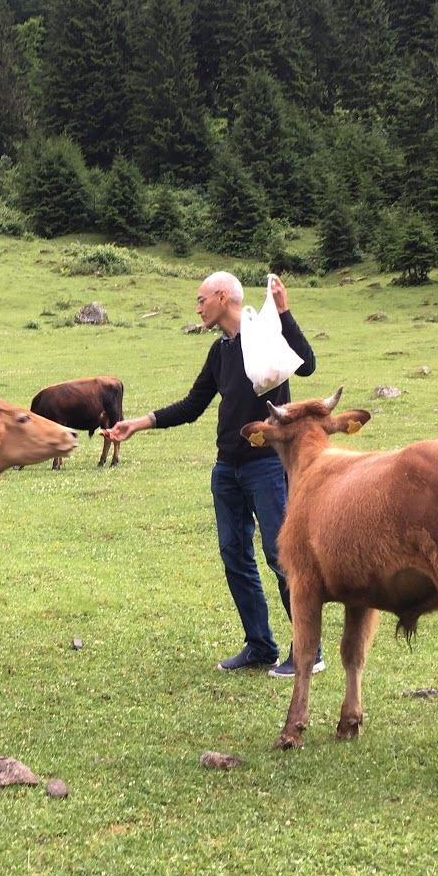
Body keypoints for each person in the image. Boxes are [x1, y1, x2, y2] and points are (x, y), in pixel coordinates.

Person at [106, 271, 318, 676]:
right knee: (234, 555)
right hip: (228, 469)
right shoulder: (220, 352)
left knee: (281, 556)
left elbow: (306, 365)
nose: (198, 307)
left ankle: (309, 650)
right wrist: (138, 423)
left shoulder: (265, 336)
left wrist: (286, 311)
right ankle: (259, 646)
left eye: (202, 299)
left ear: (223, 297)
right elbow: (192, 404)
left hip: (268, 466)